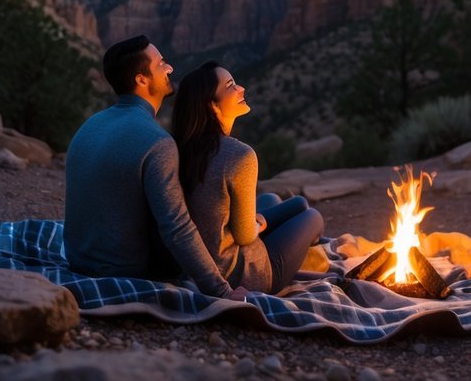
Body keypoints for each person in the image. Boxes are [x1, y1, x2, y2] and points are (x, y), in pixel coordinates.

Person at [63, 35, 243, 299]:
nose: (169, 68)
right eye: (161, 64)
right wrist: (221, 291)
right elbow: (177, 228)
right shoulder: (157, 142)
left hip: (78, 259)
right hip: (123, 269)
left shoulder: (89, 126)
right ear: (141, 80)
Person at [171, 61, 324, 293]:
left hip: (198, 262)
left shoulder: (182, 148)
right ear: (212, 106)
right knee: (312, 216)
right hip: (242, 275)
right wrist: (258, 224)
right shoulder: (240, 156)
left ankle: (286, 220)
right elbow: (243, 236)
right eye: (231, 85)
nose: (241, 88)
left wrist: (255, 222)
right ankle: (305, 238)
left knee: (274, 199)